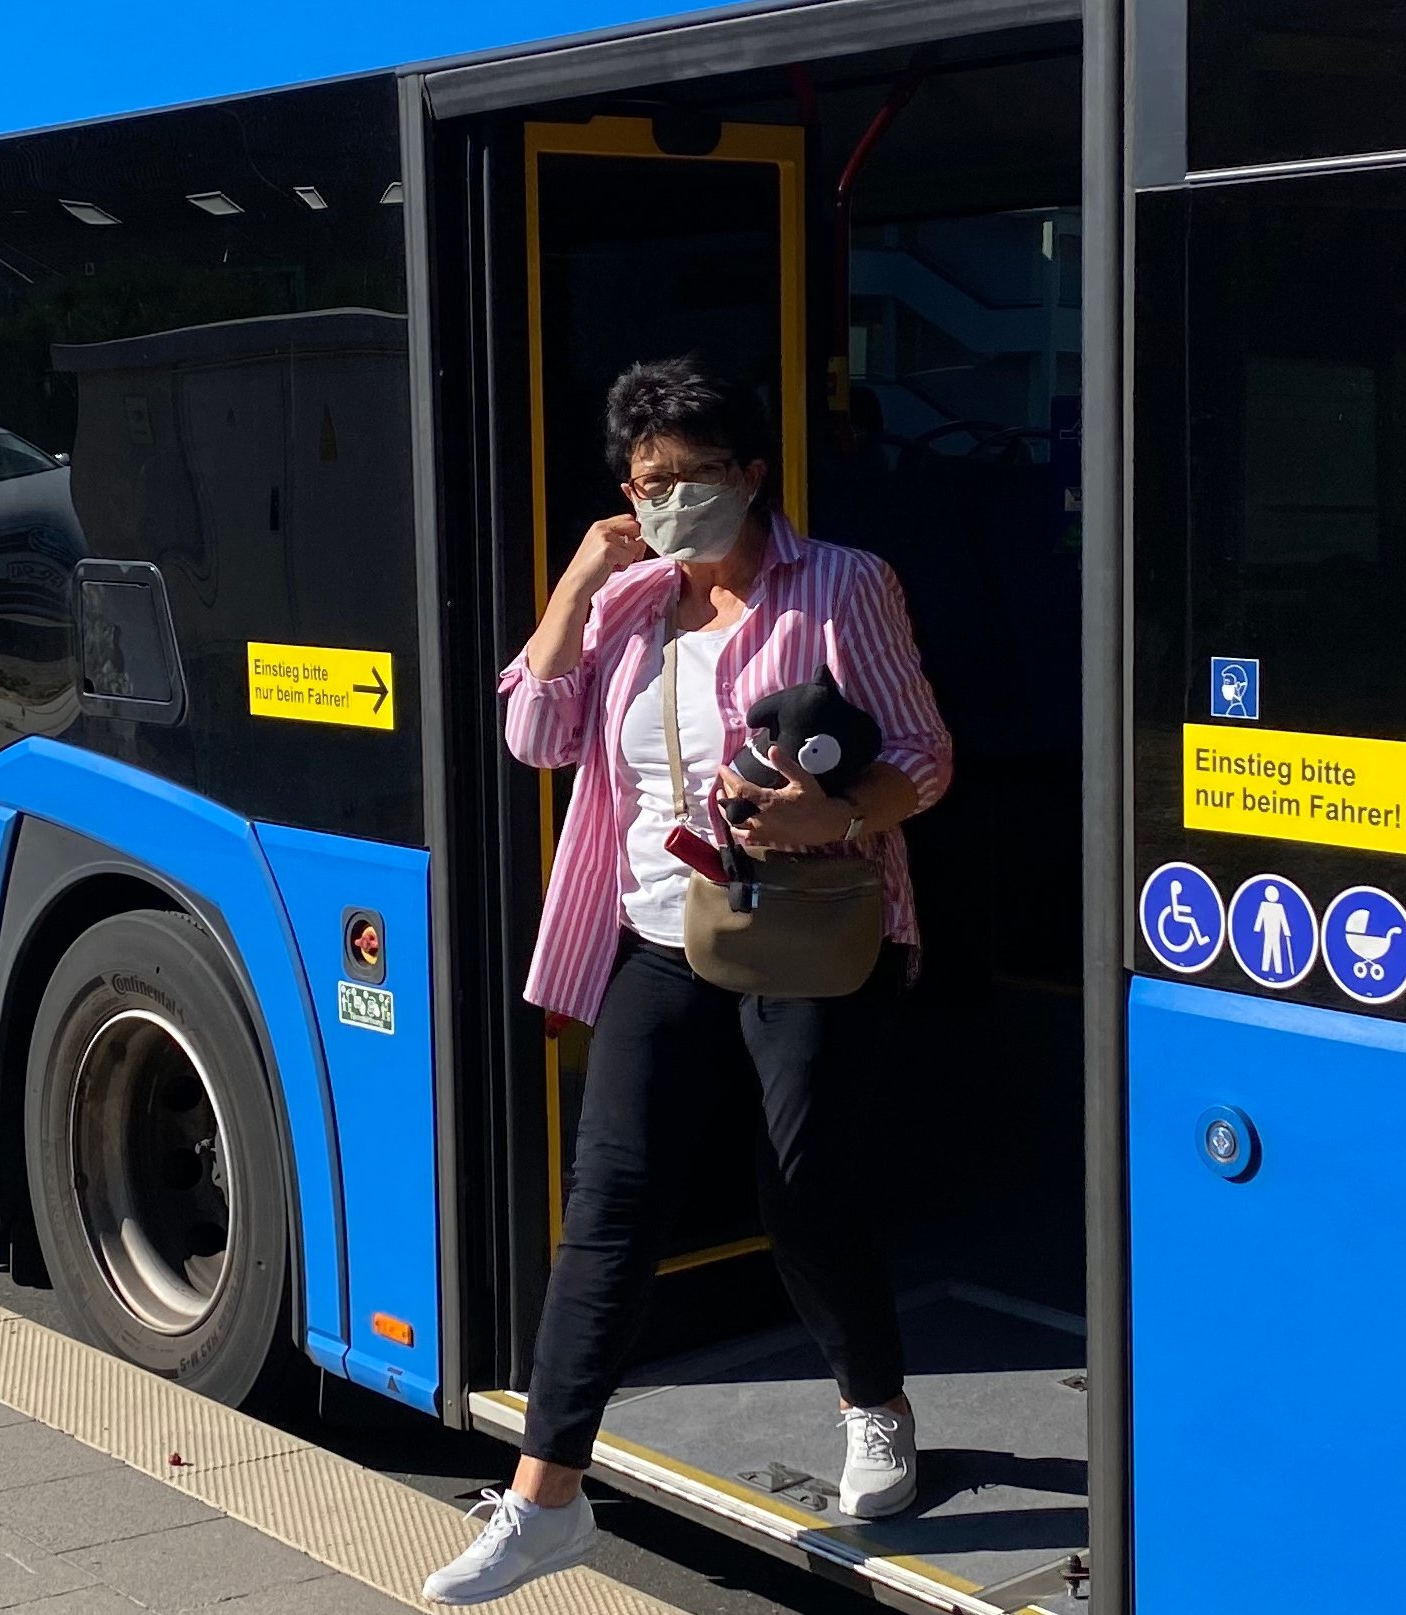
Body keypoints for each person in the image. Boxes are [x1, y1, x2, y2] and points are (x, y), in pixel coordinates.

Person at [424, 357, 953, 1605]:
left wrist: (829, 814)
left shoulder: (844, 585)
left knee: (802, 1193)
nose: (672, 501)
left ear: (753, 473)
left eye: (697, 475)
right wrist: (577, 581)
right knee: (607, 1208)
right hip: (662, 939)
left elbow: (926, 760)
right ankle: (545, 1498)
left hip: (814, 935)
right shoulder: (628, 601)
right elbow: (533, 735)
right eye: (650, 481)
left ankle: (874, 1403)